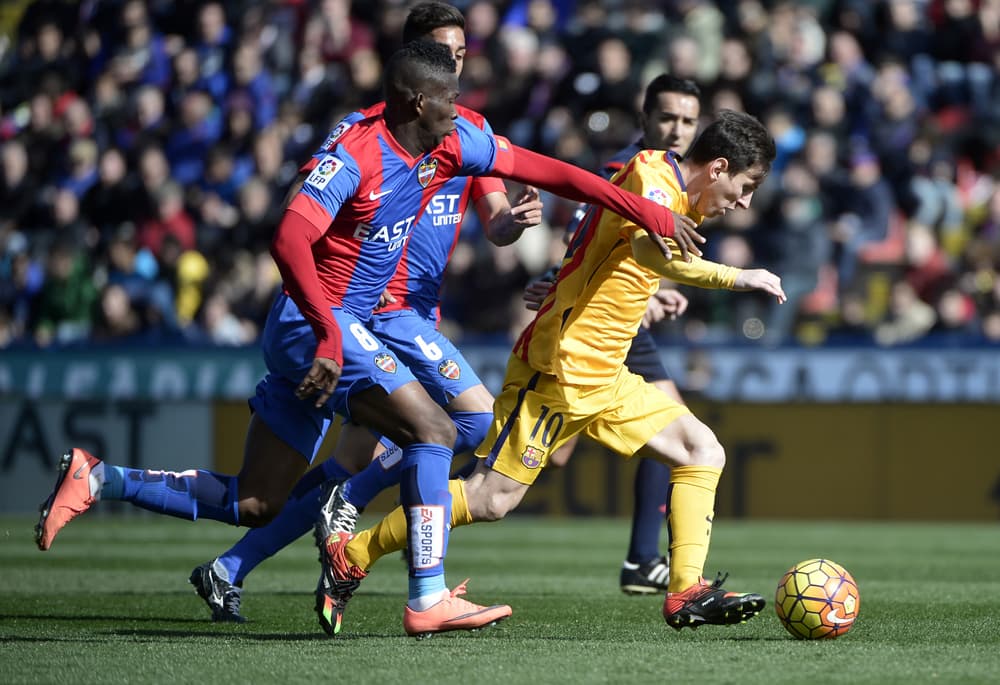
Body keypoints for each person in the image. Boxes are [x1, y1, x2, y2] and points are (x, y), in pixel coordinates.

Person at [35, 40, 703, 638]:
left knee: (256, 499)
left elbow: (551, 170)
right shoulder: (356, 151)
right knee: (435, 431)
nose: (461, 107)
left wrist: (644, 210)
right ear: (416, 98)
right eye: (448, 96)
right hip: (315, 322)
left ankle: (100, 478)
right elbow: (288, 237)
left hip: (355, 326)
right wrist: (328, 332)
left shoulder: (450, 142)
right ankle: (425, 594)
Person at [317, 110, 785, 633]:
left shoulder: (668, 191)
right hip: (559, 370)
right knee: (490, 499)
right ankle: (352, 554)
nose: (744, 203)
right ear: (719, 167)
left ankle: (685, 593)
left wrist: (564, 278)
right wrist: (740, 276)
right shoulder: (653, 182)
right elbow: (655, 255)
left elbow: (604, 242)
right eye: (745, 187)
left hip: (607, 375)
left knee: (703, 449)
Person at [186, 1, 543, 628]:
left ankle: (234, 566)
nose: (455, 60)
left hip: (419, 314)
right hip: (380, 312)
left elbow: (493, 224)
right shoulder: (370, 131)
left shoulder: (467, 128)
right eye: (442, 50)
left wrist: (511, 223)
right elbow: (316, 215)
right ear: (414, 63)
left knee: (360, 461)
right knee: (468, 418)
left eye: (461, 51)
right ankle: (372, 547)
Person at [525, 74, 702, 595]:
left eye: (688, 121)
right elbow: (580, 237)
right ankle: (424, 500)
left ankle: (642, 562)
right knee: (541, 455)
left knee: (678, 433)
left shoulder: (673, 177)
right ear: (645, 119)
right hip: (592, 326)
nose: (676, 130)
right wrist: (561, 284)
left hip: (625, 327)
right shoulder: (624, 170)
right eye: (667, 117)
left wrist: (652, 292)